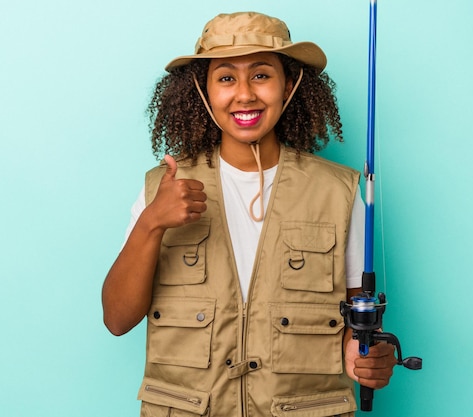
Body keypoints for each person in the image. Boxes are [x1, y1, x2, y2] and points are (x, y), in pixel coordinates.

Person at [102, 11, 396, 417]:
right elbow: (117, 319)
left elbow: (354, 320)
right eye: (225, 77)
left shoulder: (339, 192)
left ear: (289, 85)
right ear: (202, 91)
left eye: (261, 75)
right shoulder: (161, 188)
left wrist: (364, 355)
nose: (244, 94)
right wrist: (152, 222)